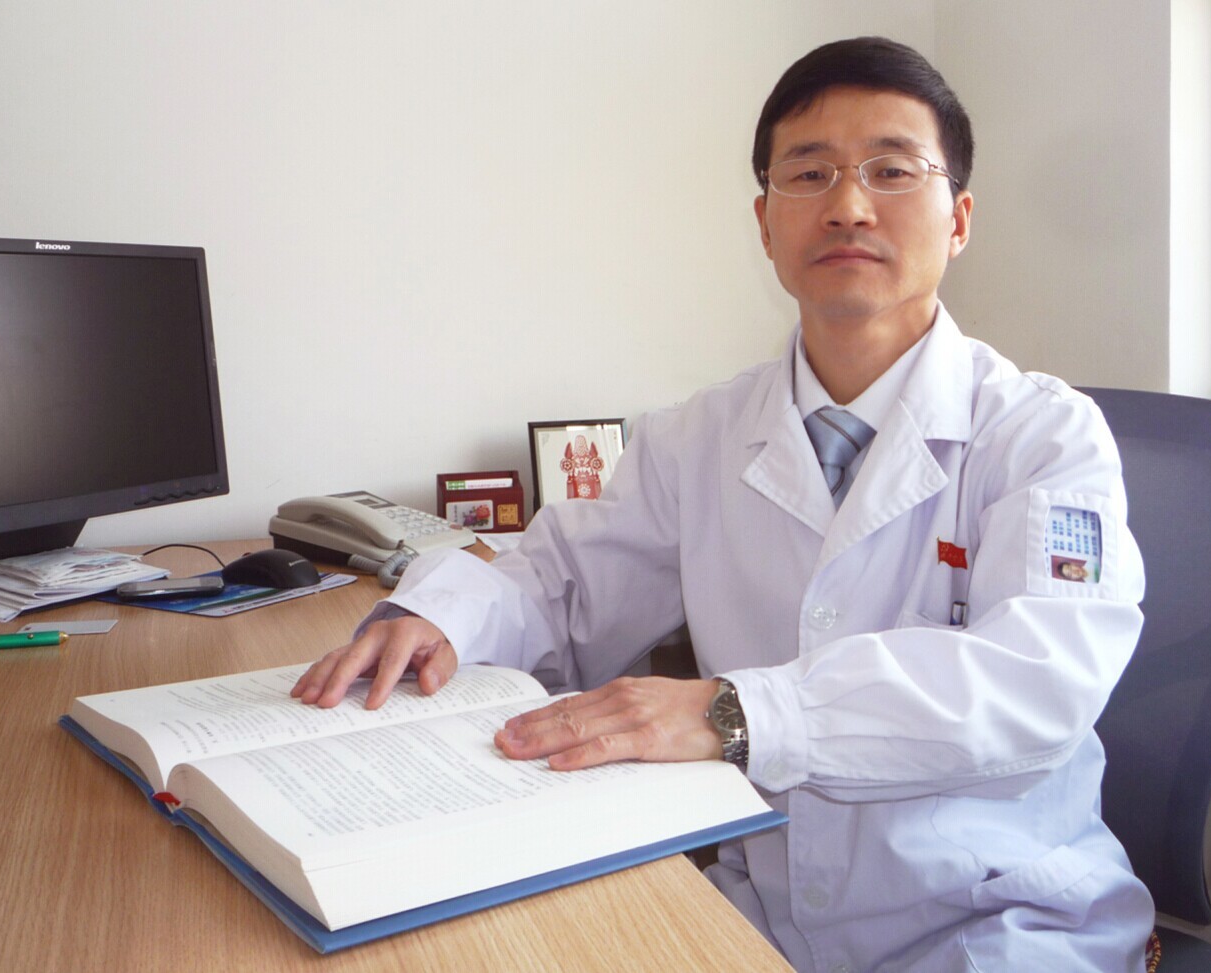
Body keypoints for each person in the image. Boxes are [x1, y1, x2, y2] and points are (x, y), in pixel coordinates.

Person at [294, 36, 1155, 972]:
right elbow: (561, 585)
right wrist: (444, 616)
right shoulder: (696, 436)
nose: (848, 205)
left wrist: (740, 713)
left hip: (1000, 918)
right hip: (764, 911)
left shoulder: (1043, 434)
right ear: (764, 223)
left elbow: (1040, 679)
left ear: (958, 219)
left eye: (892, 170)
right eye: (809, 173)